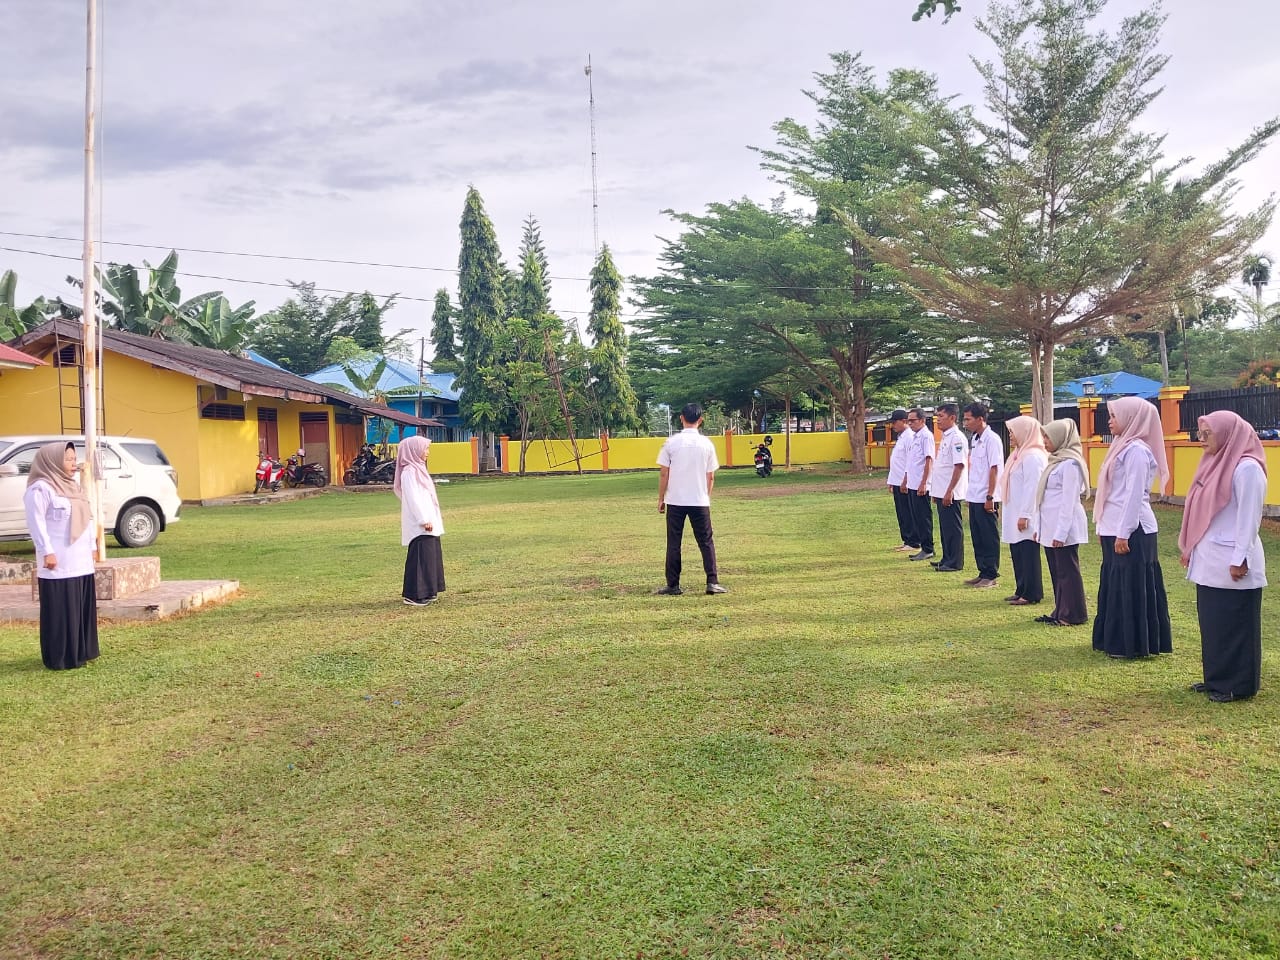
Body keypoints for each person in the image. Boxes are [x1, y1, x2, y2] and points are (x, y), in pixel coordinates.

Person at [1179, 411, 1267, 702]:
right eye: (1199, 433)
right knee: (1214, 622)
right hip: (1211, 560)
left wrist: (1241, 557)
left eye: (1207, 434)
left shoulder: (1247, 468)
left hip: (1233, 561)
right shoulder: (1215, 464)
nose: (1201, 440)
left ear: (1228, 433)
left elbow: (1249, 518)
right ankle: (1216, 678)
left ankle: (1238, 685)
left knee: (1236, 624)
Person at [1092, 396, 1171, 658]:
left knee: (1131, 586)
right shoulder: (1120, 446)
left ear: (1131, 418)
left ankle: (1133, 644)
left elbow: (1133, 495)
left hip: (1132, 529)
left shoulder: (1137, 451)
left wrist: (1123, 533)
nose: (1110, 421)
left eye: (1114, 416)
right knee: (1116, 583)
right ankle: (1114, 639)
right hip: (1114, 526)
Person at [22, 441, 99, 670]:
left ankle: (80, 652)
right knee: (61, 608)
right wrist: (47, 552)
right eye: (68, 459)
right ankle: (60, 657)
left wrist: (92, 546)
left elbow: (88, 517)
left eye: (74, 459)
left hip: (81, 560)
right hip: (57, 560)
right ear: (52, 461)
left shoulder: (74, 487)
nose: (73, 463)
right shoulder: (40, 488)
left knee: (79, 606)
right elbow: (36, 523)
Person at [656, 402, 725, 595]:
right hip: (699, 500)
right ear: (700, 420)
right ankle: (712, 581)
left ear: (681, 418)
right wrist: (706, 496)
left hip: (675, 500)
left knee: (674, 542)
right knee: (706, 541)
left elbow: (664, 473)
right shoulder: (707, 444)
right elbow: (711, 476)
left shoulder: (671, 443)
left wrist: (661, 498)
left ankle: (673, 585)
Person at [1034, 419, 1090, 627]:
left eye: (1048, 437)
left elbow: (1068, 502)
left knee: (1068, 571)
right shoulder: (1055, 461)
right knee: (1057, 570)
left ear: (1061, 438)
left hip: (1064, 526)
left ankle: (1073, 613)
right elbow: (1045, 498)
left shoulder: (1071, 464)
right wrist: (1040, 528)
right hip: (1050, 524)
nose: (1045, 441)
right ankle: (1060, 609)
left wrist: (1061, 533)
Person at [996, 415, 1047, 605]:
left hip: (1026, 512)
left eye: (1013, 431)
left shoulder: (1033, 456)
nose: (1010, 435)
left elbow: (1032, 488)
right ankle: (1021, 588)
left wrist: (1025, 514)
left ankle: (1032, 592)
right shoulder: (1018, 454)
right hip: (1015, 510)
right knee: (1017, 551)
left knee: (1028, 552)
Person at [394, 434, 446, 606]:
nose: (427, 453)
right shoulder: (409, 472)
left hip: (429, 520)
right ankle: (414, 595)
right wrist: (423, 519)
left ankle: (429, 590)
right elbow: (414, 498)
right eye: (425, 449)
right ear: (414, 451)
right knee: (420, 557)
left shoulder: (418, 470)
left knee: (430, 556)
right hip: (421, 523)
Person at [962, 402, 1004, 588]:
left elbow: (994, 468)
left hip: (987, 496)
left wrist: (990, 497)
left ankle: (991, 574)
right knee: (977, 536)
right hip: (975, 495)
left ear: (980, 419)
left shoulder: (992, 439)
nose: (965, 423)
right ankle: (982, 571)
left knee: (989, 536)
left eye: (968, 419)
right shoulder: (976, 439)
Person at [929, 402, 968, 572]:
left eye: (941, 417)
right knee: (945, 528)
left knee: (953, 527)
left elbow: (959, 466)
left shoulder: (957, 438)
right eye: (937, 417)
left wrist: (949, 491)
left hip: (950, 492)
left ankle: (955, 562)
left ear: (952, 418)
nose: (938, 421)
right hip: (942, 490)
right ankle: (946, 558)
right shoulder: (946, 437)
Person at [904, 408, 936, 562]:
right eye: (908, 421)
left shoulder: (926, 436)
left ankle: (928, 548)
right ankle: (923, 547)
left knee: (923, 517)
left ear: (922, 420)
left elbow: (929, 460)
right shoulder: (915, 437)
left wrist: (924, 482)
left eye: (913, 420)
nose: (910, 423)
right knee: (916, 516)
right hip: (912, 483)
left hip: (920, 485)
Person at [886, 409, 919, 553]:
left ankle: (913, 541)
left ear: (903, 421)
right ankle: (907, 540)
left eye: (894, 422)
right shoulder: (901, 437)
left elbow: (910, 462)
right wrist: (891, 480)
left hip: (904, 481)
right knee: (901, 512)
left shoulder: (910, 437)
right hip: (897, 480)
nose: (892, 425)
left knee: (908, 511)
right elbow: (897, 462)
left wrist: (905, 480)